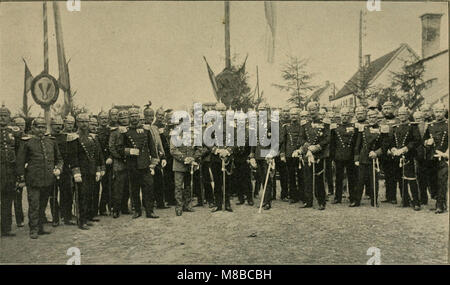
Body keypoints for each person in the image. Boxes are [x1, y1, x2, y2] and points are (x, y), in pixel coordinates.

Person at [16, 117, 64, 238]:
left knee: (43, 204)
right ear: (33, 128)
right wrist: (21, 178)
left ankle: (41, 227)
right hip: (33, 179)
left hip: (48, 179)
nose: (41, 130)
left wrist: (58, 168)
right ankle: (33, 229)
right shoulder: (27, 142)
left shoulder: (51, 141)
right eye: (38, 127)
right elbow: (20, 162)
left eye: (43, 127)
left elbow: (59, 159)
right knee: (34, 205)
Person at [122, 107, 159, 219]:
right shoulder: (125, 132)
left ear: (139, 117)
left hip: (145, 164)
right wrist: (129, 151)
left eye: (136, 116)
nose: (134, 118)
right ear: (129, 118)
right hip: (132, 164)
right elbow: (120, 147)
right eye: (132, 116)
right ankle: (137, 211)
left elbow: (152, 148)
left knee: (148, 188)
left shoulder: (146, 130)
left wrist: (153, 163)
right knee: (134, 189)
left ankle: (150, 211)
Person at [71, 113, 104, 229]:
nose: (84, 124)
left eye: (86, 122)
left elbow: (98, 154)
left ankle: (89, 216)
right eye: (81, 122)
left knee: (91, 194)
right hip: (82, 171)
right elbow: (73, 155)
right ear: (77, 123)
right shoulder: (74, 137)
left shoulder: (93, 137)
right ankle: (82, 220)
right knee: (82, 196)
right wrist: (76, 172)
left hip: (92, 170)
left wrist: (99, 169)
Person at [296, 102, 330, 210]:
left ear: (318, 110)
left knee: (319, 178)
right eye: (310, 110)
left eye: (314, 110)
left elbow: (327, 138)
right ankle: (308, 201)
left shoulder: (324, 124)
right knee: (307, 178)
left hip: (319, 154)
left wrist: (318, 146)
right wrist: (308, 146)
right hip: (308, 154)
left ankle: (321, 202)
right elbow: (300, 139)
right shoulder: (305, 125)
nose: (311, 112)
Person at [353, 109, 389, 207]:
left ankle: (374, 200)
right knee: (360, 180)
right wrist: (356, 158)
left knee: (374, 180)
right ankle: (357, 201)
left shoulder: (383, 129)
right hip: (363, 157)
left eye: (374, 117)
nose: (372, 119)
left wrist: (377, 153)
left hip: (374, 158)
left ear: (377, 118)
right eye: (370, 117)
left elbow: (385, 145)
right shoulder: (363, 128)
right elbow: (358, 144)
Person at [389, 106, 421, 210]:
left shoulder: (413, 126)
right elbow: (391, 140)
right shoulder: (395, 127)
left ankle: (416, 202)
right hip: (397, 156)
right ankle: (405, 200)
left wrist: (405, 149)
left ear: (408, 115)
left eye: (404, 114)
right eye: (400, 114)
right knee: (400, 178)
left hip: (408, 155)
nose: (402, 116)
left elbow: (417, 140)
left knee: (411, 179)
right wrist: (393, 148)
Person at [423, 103, 448, 214]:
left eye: (440, 111)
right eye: (436, 111)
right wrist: (427, 142)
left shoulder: (448, 124)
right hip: (431, 158)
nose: (438, 114)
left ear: (444, 112)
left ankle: (440, 205)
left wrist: (446, 153)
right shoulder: (431, 125)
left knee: (441, 181)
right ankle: (439, 200)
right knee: (432, 181)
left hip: (444, 158)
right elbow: (424, 140)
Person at [143, 103, 169, 209]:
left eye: (151, 116)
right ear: (144, 116)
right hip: (145, 159)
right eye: (147, 116)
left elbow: (159, 144)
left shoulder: (154, 128)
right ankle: (147, 204)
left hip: (156, 158)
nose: (150, 118)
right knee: (147, 183)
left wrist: (162, 157)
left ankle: (160, 203)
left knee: (159, 181)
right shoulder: (141, 128)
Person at [330, 106, 357, 204]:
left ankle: (353, 198)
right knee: (338, 178)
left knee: (352, 177)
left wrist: (355, 156)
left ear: (350, 116)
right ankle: (337, 197)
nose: (345, 117)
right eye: (343, 115)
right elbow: (332, 144)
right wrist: (333, 157)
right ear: (339, 116)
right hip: (339, 156)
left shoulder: (355, 127)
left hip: (350, 155)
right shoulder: (335, 127)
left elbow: (356, 143)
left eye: (346, 115)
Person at [0, 104, 17, 237]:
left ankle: (6, 228)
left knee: (7, 200)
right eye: (0, 116)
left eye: (5, 116)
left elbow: (19, 150)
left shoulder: (15, 132)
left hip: (10, 171)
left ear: (9, 118)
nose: (2, 118)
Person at [380, 100, 400, 204]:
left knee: (396, 174)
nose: (387, 111)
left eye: (389, 108)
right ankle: (388, 196)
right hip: (385, 152)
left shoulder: (398, 121)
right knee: (387, 174)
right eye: (385, 108)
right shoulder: (381, 122)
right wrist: (385, 149)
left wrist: (395, 149)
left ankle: (395, 197)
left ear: (393, 109)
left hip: (396, 151)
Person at [280, 107, 301, 203]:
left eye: (295, 114)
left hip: (300, 153)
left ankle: (302, 195)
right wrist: (283, 153)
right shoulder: (286, 127)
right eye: (292, 114)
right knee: (291, 175)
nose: (294, 116)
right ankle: (293, 196)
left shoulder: (302, 126)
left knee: (301, 175)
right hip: (289, 154)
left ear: (299, 115)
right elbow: (283, 141)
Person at [97, 111, 113, 215]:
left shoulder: (110, 131)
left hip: (109, 161)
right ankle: (95, 208)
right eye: (102, 118)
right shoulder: (95, 131)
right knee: (96, 187)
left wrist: (111, 157)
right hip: (98, 161)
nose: (104, 120)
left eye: (106, 118)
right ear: (98, 120)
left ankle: (105, 207)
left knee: (108, 185)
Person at [11, 116, 26, 228]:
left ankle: (20, 219)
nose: (21, 127)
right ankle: (16, 219)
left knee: (20, 194)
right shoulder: (11, 138)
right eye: (18, 125)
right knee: (14, 194)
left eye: (23, 125)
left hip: (24, 169)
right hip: (11, 169)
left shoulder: (27, 137)